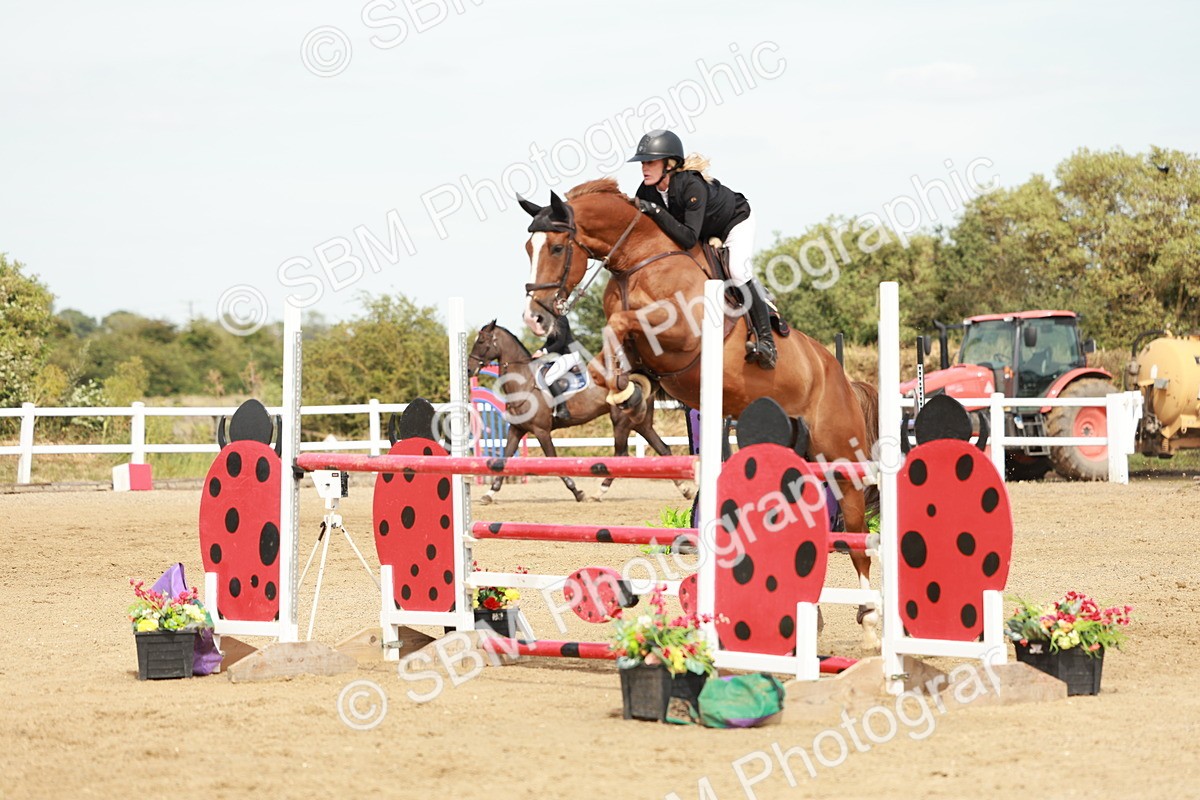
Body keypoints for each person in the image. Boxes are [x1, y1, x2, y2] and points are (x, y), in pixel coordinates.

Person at [627, 129, 775, 368]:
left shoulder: (691, 185)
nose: (644, 168)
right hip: (702, 229)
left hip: (734, 221)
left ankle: (767, 342)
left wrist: (654, 211)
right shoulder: (646, 191)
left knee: (737, 270)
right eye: (643, 162)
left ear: (670, 164)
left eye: (650, 162)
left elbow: (687, 238)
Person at [537, 315, 585, 421]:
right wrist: (538, 351)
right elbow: (549, 342)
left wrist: (544, 352)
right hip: (562, 356)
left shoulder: (561, 319)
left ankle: (563, 409)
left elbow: (560, 342)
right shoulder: (551, 320)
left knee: (549, 378)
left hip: (570, 354)